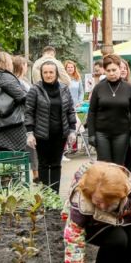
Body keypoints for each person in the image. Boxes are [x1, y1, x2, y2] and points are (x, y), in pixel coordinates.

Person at [25, 61, 77, 192]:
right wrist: (29, 133)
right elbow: (29, 111)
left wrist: (72, 130)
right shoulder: (35, 90)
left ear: (56, 73)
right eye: (45, 72)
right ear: (41, 74)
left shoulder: (64, 89)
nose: (48, 75)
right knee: (43, 165)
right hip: (41, 134)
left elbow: (70, 110)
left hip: (60, 134)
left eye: (51, 72)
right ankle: (44, 197)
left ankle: (54, 196)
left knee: (56, 165)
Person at [87, 54, 131, 166]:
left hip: (122, 133)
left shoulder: (129, 88)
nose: (111, 73)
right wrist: (91, 133)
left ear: (120, 69)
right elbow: (92, 112)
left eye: (114, 70)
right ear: (104, 71)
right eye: (108, 70)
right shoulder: (99, 88)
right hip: (101, 133)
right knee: (104, 166)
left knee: (118, 165)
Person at [0, 52, 28, 155]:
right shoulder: (6, 78)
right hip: (8, 131)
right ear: (8, 63)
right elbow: (23, 97)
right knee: (11, 162)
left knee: (0, 165)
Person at [12, 55, 39, 182]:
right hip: (22, 118)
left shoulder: (25, 80)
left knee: (32, 146)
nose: (26, 68)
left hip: (30, 116)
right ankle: (31, 174)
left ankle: (35, 173)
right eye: (25, 65)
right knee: (28, 146)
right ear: (20, 66)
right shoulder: (16, 81)